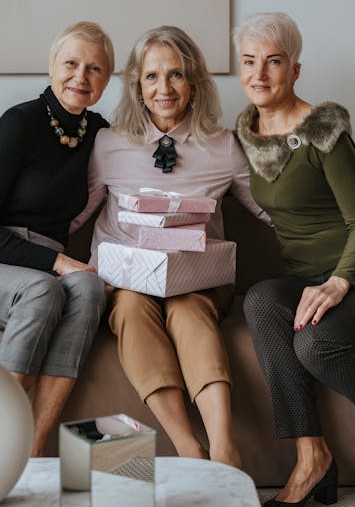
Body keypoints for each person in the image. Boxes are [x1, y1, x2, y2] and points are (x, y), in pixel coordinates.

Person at [234, 12, 355, 507]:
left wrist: (339, 282)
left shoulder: (324, 128)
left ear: (295, 69)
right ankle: (311, 454)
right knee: (260, 300)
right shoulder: (246, 130)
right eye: (249, 61)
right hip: (304, 276)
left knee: (316, 342)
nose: (260, 74)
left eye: (274, 62)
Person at [70, 25, 273, 467]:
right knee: (130, 308)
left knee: (187, 310)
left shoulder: (223, 146)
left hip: (198, 280)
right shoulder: (108, 144)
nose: (164, 88)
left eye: (176, 75)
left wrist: (347, 212)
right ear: (137, 86)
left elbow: (268, 208)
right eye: (151, 77)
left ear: (195, 81)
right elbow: (73, 215)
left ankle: (225, 451)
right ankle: (190, 449)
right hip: (127, 283)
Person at [0, 21, 114, 457]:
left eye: (95, 69)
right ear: (51, 67)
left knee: (89, 286)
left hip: (38, 268)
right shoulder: (19, 123)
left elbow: (144, 154)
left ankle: (31, 450)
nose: (80, 77)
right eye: (71, 63)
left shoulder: (99, 133)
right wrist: (58, 262)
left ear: (107, 80)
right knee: (45, 288)